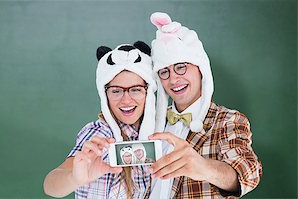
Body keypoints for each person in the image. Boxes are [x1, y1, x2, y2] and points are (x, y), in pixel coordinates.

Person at [147, 12, 262, 198]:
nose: (174, 79)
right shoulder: (151, 123)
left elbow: (249, 172)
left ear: (200, 69)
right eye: (164, 71)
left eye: (181, 66)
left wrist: (203, 167)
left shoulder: (228, 120)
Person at [43, 41, 158, 198]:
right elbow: (51, 185)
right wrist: (75, 178)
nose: (126, 100)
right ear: (105, 96)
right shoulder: (98, 134)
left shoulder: (158, 133)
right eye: (116, 91)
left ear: (148, 92)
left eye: (136, 90)